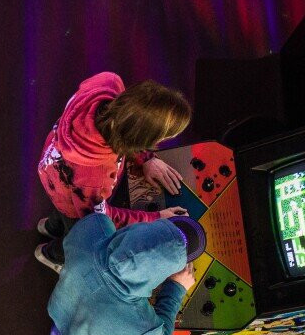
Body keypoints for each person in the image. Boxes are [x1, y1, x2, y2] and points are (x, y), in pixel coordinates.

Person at [35, 72, 192, 272]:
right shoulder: (93, 178)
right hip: (75, 196)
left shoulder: (109, 82)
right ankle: (50, 255)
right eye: (157, 140)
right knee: (76, 236)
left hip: (55, 174)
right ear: (139, 138)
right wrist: (156, 218)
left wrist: (146, 158)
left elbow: (121, 125)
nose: (158, 144)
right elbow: (101, 218)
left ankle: (48, 227)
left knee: (63, 211)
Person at [43, 213, 205, 335]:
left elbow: (97, 228)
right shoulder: (137, 326)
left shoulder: (96, 226)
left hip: (61, 308)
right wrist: (176, 288)